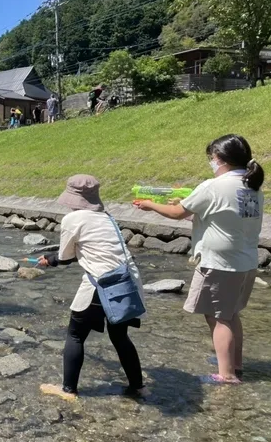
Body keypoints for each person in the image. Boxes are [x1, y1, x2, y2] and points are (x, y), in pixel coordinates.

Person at [135, 135, 264, 384]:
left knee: (219, 316)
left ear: (222, 159)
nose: (211, 162)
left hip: (220, 263)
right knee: (231, 313)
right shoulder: (252, 187)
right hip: (246, 260)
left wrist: (150, 204)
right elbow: (220, 218)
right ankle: (234, 365)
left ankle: (226, 376)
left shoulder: (213, 186)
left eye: (212, 158)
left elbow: (176, 212)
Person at [38, 175, 147, 401]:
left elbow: (65, 257)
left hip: (102, 283)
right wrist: (54, 257)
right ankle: (138, 386)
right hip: (128, 281)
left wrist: (49, 260)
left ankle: (68, 390)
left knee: (76, 335)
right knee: (120, 336)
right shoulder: (106, 217)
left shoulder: (72, 219)